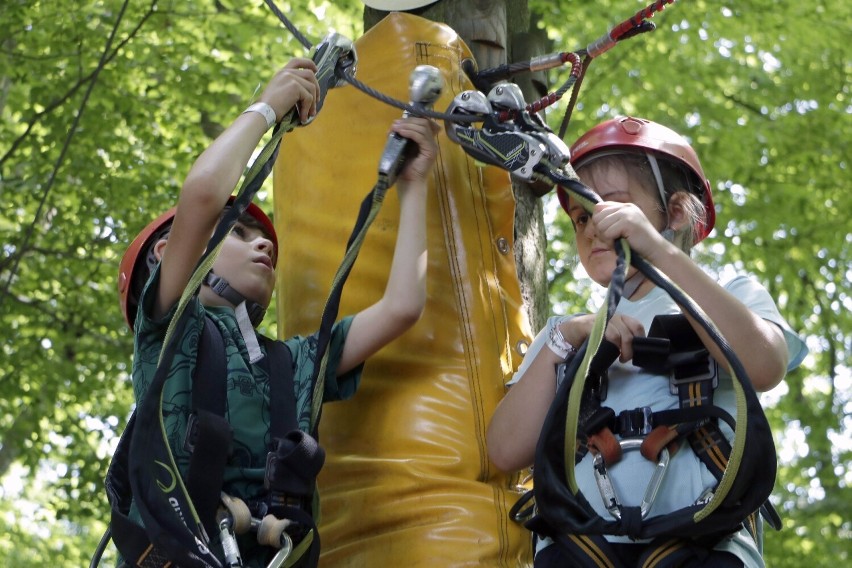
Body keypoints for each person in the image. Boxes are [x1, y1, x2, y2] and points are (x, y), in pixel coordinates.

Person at [115, 57, 439, 567]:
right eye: (239, 232)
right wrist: (267, 108)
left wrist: (414, 185)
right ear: (166, 253)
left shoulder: (292, 364)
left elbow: (402, 307)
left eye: (262, 235)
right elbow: (202, 196)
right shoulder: (171, 331)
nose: (263, 243)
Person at [486, 116, 807, 567]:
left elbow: (764, 365)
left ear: (675, 212)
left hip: (703, 542)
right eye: (581, 217)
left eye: (610, 207)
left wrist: (658, 252)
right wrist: (569, 336)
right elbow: (504, 449)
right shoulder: (569, 332)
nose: (593, 227)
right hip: (583, 544)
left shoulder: (729, 293)